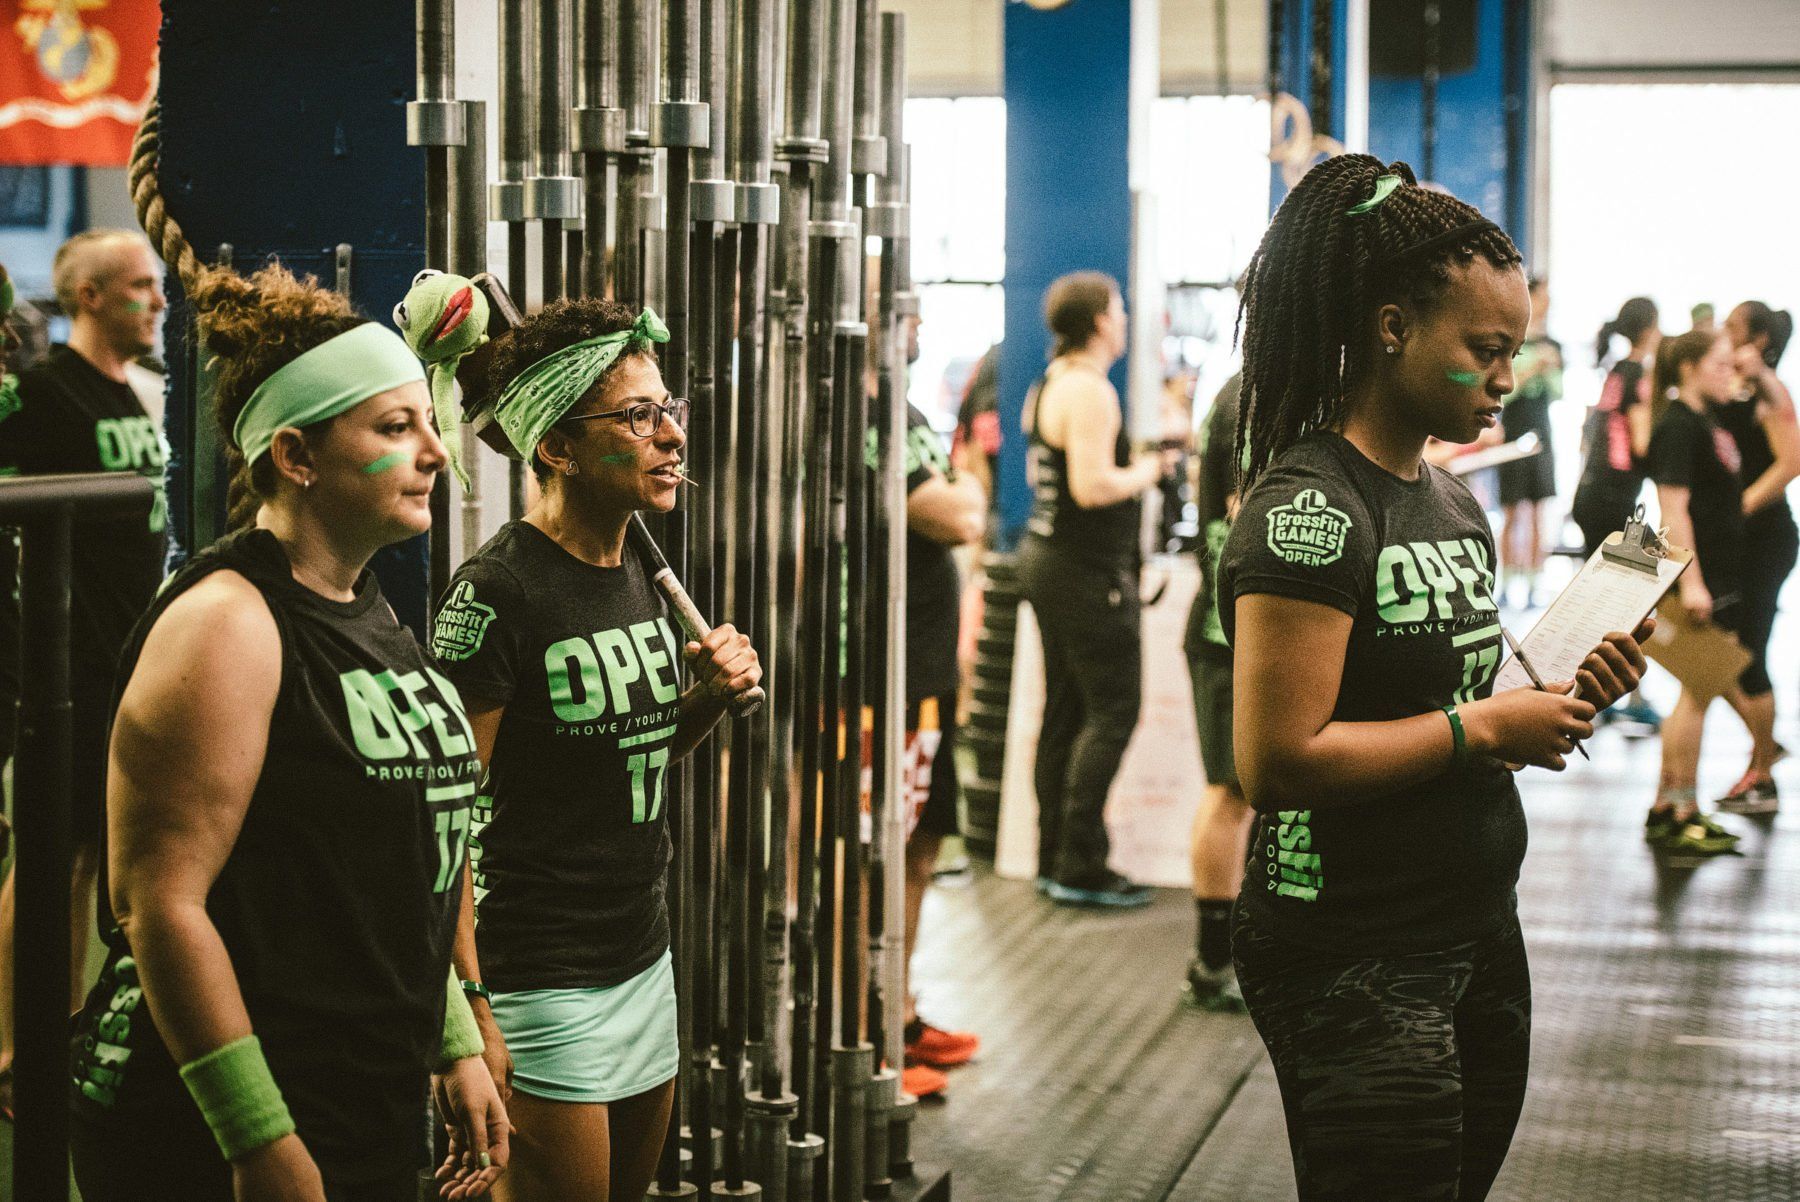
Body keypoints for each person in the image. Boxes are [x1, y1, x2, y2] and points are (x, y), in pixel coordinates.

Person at [1219, 155, 1650, 1201]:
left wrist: (1558, 692)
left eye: (1514, 350)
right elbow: (1278, 759)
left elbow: (1452, 699)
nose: (1507, 377)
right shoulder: (1311, 511)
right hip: (1351, 948)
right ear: (1392, 327)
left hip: (1475, 920)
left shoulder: (1450, 502)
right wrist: (1487, 731)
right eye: (1485, 350)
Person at [67, 262, 508, 1200]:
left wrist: (455, 1041)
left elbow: (397, 870)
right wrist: (257, 1139)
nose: (436, 452)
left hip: (357, 1096)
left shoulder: (367, 608)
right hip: (208, 1127)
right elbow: (161, 904)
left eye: (427, 422)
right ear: (297, 456)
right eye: (395, 428)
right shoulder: (227, 625)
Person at [431, 298, 762, 1201]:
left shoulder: (634, 568)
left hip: (641, 951)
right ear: (557, 449)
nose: (672, 436)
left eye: (668, 410)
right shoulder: (497, 592)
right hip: (539, 973)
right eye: (637, 417)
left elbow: (628, 749)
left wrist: (705, 699)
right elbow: (439, 822)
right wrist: (466, 1011)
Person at [0, 231, 170, 1106]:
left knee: (91, 864)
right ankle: (13, 1048)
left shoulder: (130, 394)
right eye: (140, 286)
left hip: (128, 657)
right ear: (90, 297)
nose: (159, 301)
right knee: (49, 860)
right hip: (66, 662)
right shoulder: (44, 392)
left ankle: (63, 1031)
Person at [1017, 271, 1173, 909]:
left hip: (1052, 562)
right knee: (1112, 712)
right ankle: (1080, 864)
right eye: (1120, 309)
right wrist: (1148, 470)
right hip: (1083, 572)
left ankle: (1054, 856)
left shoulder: (1051, 383)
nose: (1127, 319)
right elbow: (1091, 486)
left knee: (1066, 713)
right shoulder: (1088, 390)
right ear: (1101, 321)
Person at [1644, 330, 1755, 858]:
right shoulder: (1678, 426)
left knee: (1699, 692)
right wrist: (1691, 581)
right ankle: (1681, 811)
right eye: (1719, 363)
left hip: (1720, 577)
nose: (1728, 372)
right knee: (1697, 693)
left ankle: (1668, 806)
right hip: (1700, 581)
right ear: (1688, 367)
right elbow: (1673, 511)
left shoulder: (1704, 418)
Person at [1710, 302, 1799, 813]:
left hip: (1768, 540)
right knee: (1721, 652)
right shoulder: (1735, 386)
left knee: (1750, 655)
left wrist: (1738, 508)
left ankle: (1762, 777)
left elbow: (1793, 462)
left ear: (1759, 339)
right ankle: (1763, 743)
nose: (1724, 333)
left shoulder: (1769, 388)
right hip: (1738, 542)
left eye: (1733, 327)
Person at [1181, 372, 1252, 1011]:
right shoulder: (1249, 399)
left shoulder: (1251, 390)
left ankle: (1239, 951)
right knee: (1231, 792)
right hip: (1226, 633)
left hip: (1244, 629)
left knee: (1250, 795)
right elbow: (1246, 507)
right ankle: (1211, 962)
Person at [1571, 297, 1659, 554]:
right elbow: (1641, 444)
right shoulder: (1638, 375)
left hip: (1591, 491)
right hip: (1613, 499)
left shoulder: (1617, 369)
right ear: (1648, 330)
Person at [1497, 276, 1561, 606]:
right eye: (1543, 296)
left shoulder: (1552, 345)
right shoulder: (1512, 343)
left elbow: (1559, 392)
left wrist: (1549, 369)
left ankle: (1536, 582)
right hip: (1512, 435)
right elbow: (1504, 393)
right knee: (1512, 512)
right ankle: (1508, 582)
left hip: (1543, 435)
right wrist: (1530, 370)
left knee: (1539, 512)